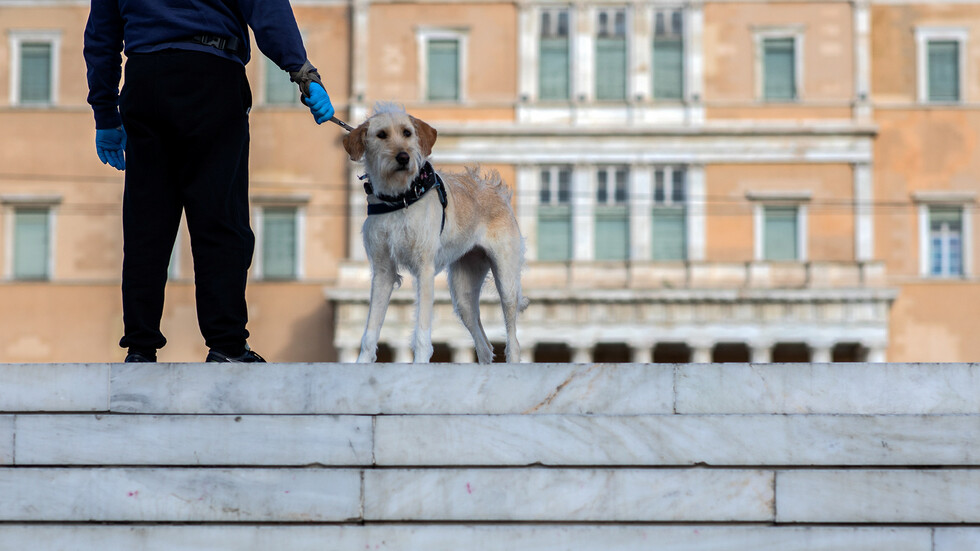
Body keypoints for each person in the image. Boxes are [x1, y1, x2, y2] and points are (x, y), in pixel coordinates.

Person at [84, 0, 335, 363]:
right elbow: (266, 9)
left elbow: (101, 34)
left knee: (146, 222)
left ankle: (140, 348)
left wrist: (105, 112)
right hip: (212, 73)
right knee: (220, 218)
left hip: (146, 78)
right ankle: (226, 344)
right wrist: (303, 72)